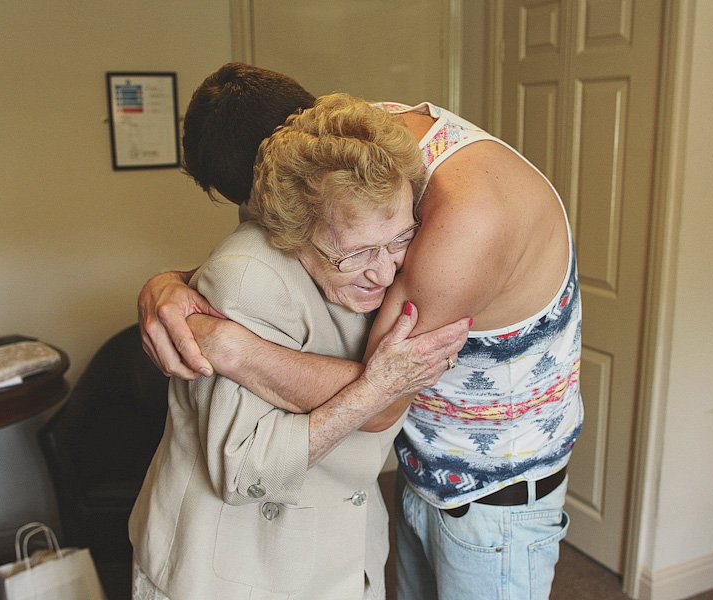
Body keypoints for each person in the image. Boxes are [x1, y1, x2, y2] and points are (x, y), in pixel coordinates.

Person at [139, 63, 583, 600]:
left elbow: (383, 402)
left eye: (397, 243)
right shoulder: (359, 136)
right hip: (421, 472)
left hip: (494, 501)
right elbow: (258, 271)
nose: (381, 268)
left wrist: (231, 347)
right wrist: (172, 282)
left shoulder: (458, 224)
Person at [129, 91, 471, 600]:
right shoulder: (247, 279)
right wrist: (378, 387)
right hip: (233, 568)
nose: (384, 271)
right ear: (292, 233)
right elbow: (247, 471)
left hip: (339, 543)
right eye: (355, 255)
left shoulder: (376, 240)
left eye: (400, 239)